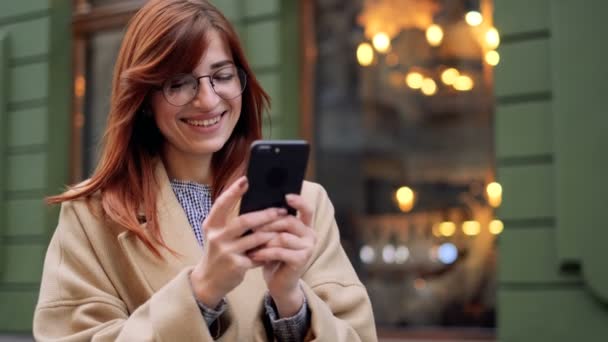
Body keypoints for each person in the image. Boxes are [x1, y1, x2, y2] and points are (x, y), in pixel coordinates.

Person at [33, 0, 377, 341]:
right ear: (144, 101)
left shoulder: (305, 204)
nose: (208, 100)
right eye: (179, 83)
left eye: (222, 76)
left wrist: (292, 303)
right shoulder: (92, 215)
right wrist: (202, 291)